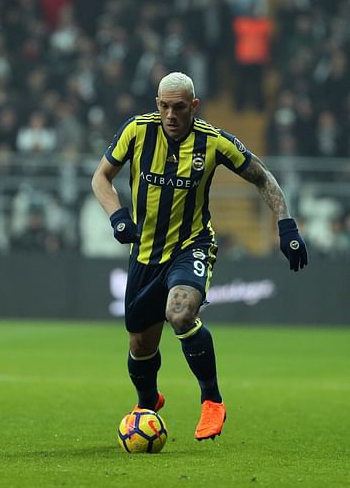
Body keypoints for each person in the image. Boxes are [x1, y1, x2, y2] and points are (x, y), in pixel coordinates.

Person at [91, 72, 308, 441]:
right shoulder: (137, 131)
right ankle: (147, 401)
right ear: (156, 104)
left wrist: (286, 226)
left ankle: (212, 400)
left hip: (192, 245)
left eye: (179, 107)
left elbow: (262, 176)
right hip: (145, 253)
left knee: (180, 312)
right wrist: (118, 218)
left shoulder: (214, 141)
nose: (171, 115)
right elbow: (101, 178)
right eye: (164, 106)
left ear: (194, 106)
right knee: (140, 346)